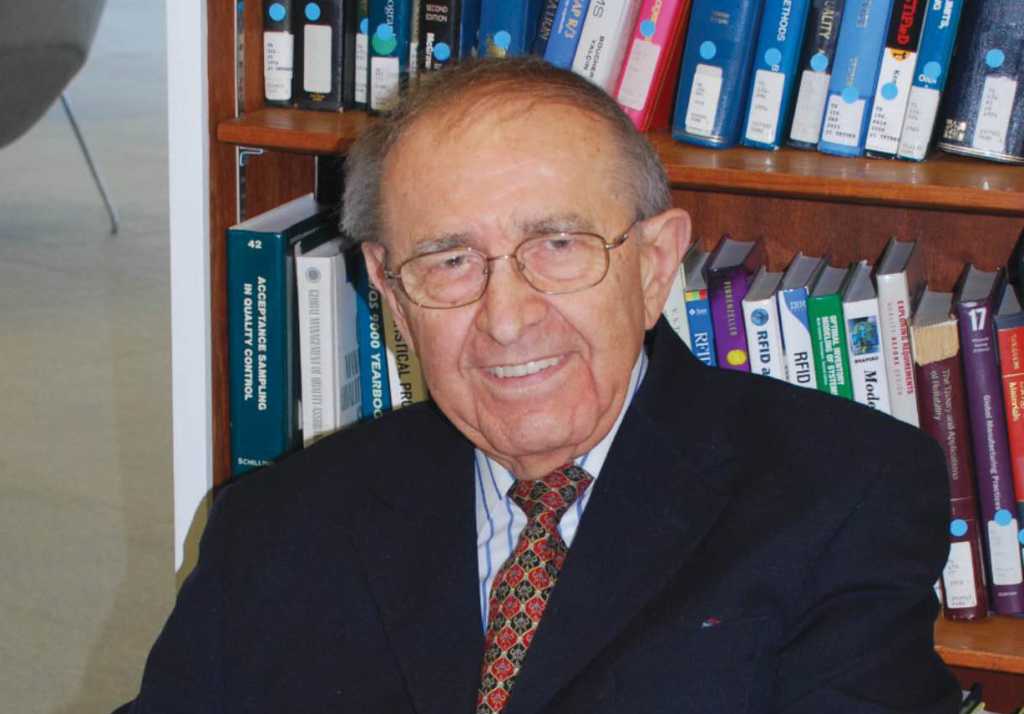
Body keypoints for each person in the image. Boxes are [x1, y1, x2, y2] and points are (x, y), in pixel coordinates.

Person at [118, 58, 959, 714]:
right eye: (449, 261)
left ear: (656, 264)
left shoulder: (845, 492)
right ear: (391, 295)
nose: (509, 318)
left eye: (559, 245)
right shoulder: (276, 524)